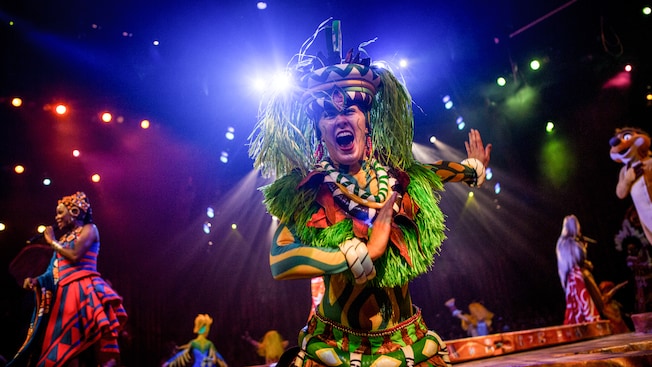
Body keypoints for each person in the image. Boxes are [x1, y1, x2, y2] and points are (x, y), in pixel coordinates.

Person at [248, 19, 492, 367]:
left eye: (349, 109)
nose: (340, 119)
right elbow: (280, 260)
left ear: (365, 122)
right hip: (336, 350)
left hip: (407, 345)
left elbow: (438, 171)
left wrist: (472, 168)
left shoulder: (400, 181)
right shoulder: (311, 192)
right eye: (329, 114)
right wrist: (351, 255)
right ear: (321, 132)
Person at [8, 191, 128, 367]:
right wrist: (36, 281)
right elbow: (53, 272)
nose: (56, 217)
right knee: (60, 352)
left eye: (59, 212)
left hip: (83, 292)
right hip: (63, 296)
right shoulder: (63, 239)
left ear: (74, 212)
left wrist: (51, 242)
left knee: (73, 346)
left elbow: (75, 255)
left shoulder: (89, 229)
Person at [555, 214, 603, 325]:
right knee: (596, 303)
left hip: (569, 280)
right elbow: (580, 259)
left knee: (577, 308)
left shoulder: (560, 244)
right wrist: (583, 247)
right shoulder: (572, 243)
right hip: (579, 277)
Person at [163, 314, 228, 367]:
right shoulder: (208, 343)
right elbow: (216, 358)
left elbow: (180, 354)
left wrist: (168, 362)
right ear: (206, 330)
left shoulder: (194, 343)